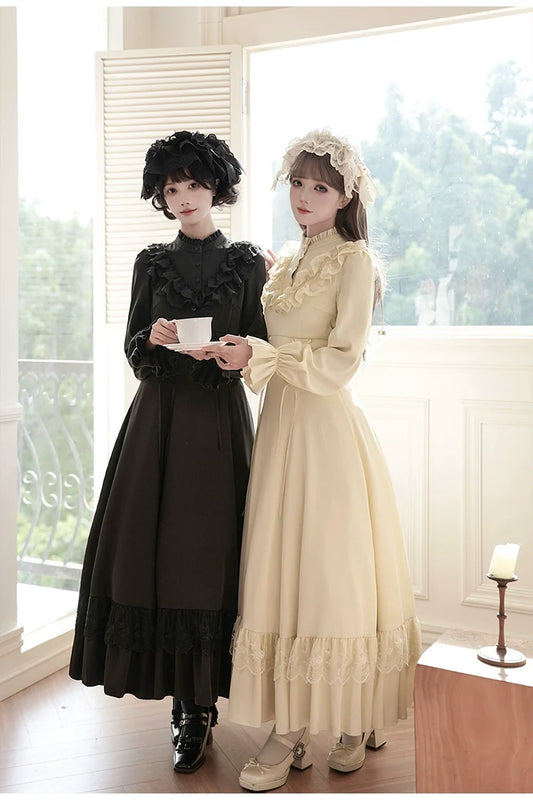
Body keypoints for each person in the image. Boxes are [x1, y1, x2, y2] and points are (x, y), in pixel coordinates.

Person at [197, 129, 422, 791]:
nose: (303, 195)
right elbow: (273, 346)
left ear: (345, 196)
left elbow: (341, 360)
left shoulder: (353, 260)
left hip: (325, 432)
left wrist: (263, 356)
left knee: (331, 572)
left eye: (319, 186)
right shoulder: (288, 259)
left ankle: (350, 715)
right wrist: (238, 350)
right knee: (282, 568)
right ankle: (293, 723)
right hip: (280, 430)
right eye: (297, 182)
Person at [69, 130, 267, 774]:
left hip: (218, 420)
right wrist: (151, 340)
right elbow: (133, 350)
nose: (182, 197)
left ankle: (205, 702)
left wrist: (231, 350)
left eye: (193, 184)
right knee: (163, 556)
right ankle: (186, 710)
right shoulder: (150, 263)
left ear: (217, 187)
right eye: (171, 187)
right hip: (158, 423)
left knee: (212, 555)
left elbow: (260, 345)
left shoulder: (248, 263)